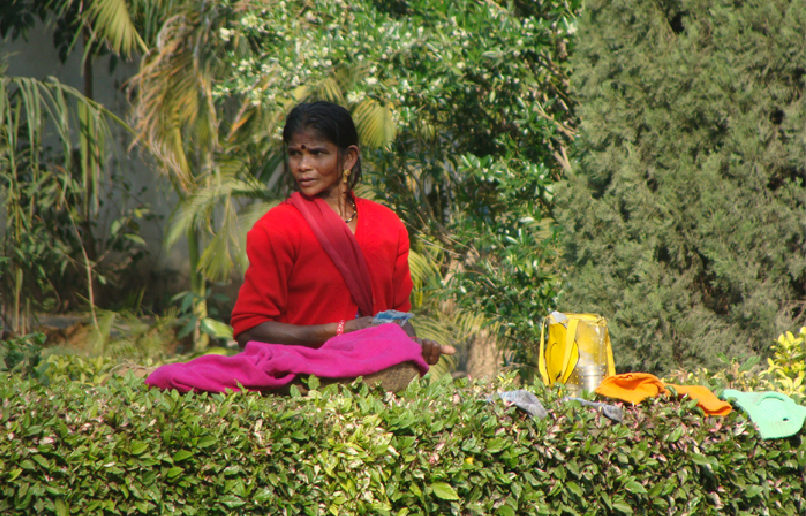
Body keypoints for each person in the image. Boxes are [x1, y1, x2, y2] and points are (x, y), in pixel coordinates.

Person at [230, 101, 454, 366]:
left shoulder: (388, 225)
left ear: (349, 157)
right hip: (302, 377)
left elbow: (397, 321)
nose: (303, 165)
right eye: (294, 154)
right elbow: (249, 330)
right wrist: (341, 330)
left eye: (317, 153)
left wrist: (417, 346)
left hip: (375, 378)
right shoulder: (276, 228)